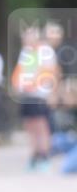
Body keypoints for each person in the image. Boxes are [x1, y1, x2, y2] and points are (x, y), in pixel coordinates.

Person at [12, 26, 58, 172]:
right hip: (27, 95)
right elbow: (21, 72)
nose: (26, 40)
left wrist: (52, 93)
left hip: (40, 95)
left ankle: (44, 157)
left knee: (41, 127)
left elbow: (52, 73)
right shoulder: (25, 52)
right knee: (30, 126)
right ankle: (34, 156)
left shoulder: (45, 52)